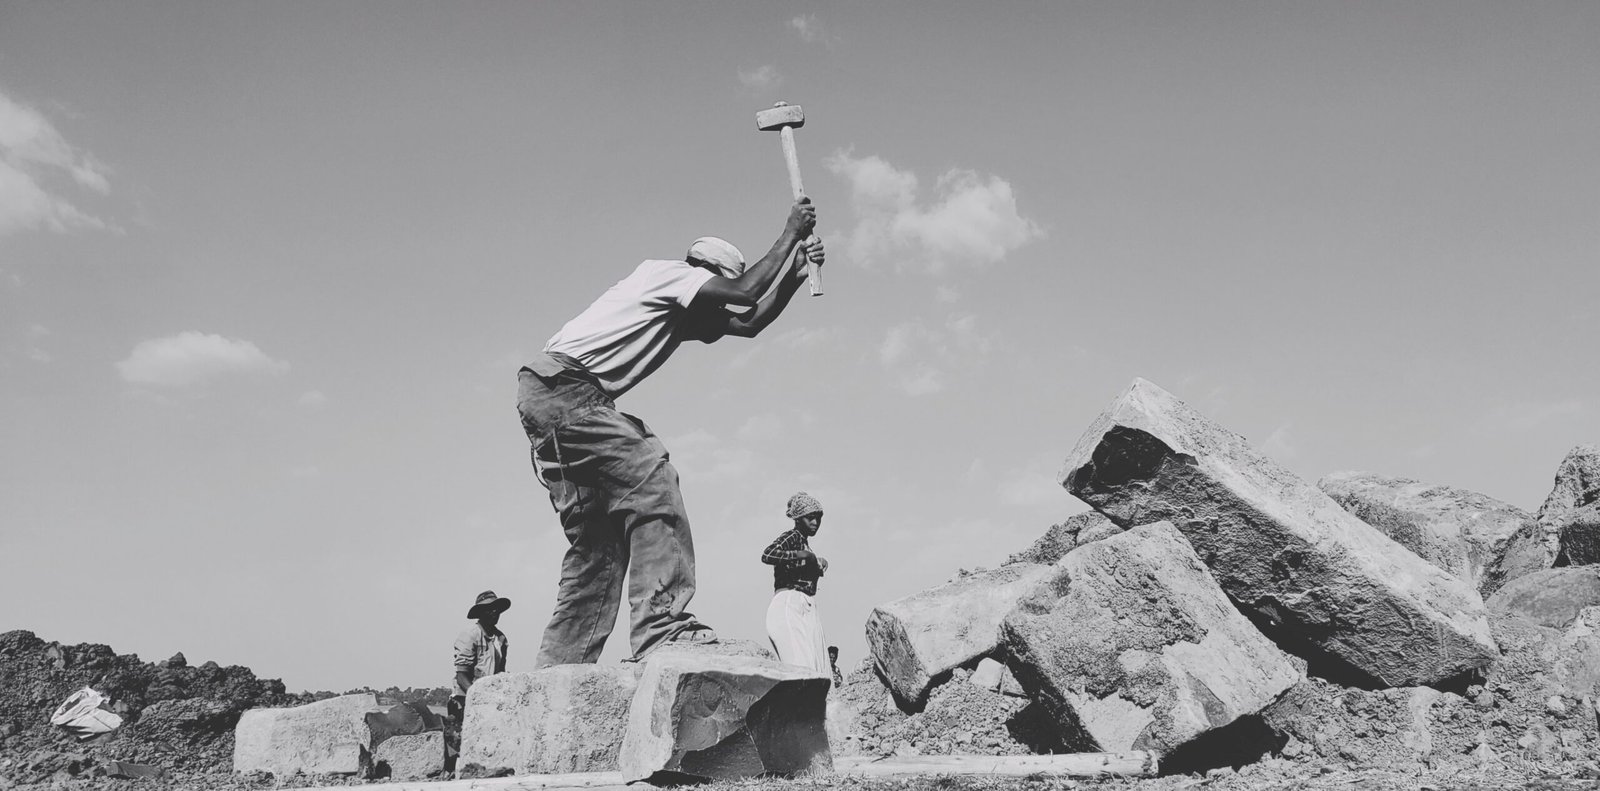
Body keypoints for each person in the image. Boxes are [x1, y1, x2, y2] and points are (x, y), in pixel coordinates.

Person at [517, 199, 824, 667]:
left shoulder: (673, 312)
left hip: (551, 396)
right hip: (568, 390)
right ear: (706, 275)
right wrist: (789, 232)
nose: (717, 306)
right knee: (653, 481)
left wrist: (795, 274)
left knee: (598, 543)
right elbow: (744, 293)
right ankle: (662, 628)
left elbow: (750, 321)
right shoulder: (669, 275)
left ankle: (560, 667)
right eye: (715, 293)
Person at [761, 492, 830, 675]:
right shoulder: (792, 537)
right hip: (789, 602)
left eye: (818, 518)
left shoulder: (805, 544)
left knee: (818, 669)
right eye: (810, 518)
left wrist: (818, 563)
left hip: (806, 606)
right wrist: (800, 555)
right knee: (802, 667)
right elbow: (768, 554)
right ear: (799, 519)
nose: (815, 522)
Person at [447, 590, 510, 765]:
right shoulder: (470, 634)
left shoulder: (501, 639)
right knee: (460, 748)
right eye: (489, 609)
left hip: (490, 698)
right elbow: (462, 675)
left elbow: (501, 672)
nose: (494, 612)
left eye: (496, 608)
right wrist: (476, 697)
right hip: (466, 697)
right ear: (480, 613)